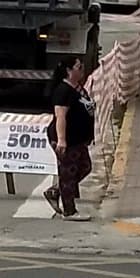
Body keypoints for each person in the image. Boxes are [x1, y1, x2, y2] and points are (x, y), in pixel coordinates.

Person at [45, 55, 96, 221]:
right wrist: (62, 140)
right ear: (68, 71)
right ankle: (69, 211)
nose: (82, 70)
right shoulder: (63, 91)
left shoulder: (78, 89)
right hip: (67, 139)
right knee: (68, 172)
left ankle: (55, 192)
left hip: (79, 139)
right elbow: (61, 117)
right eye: (78, 67)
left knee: (85, 167)